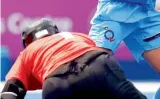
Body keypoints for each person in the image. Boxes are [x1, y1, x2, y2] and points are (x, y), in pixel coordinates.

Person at [1, 18, 146, 99]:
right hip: (100, 65)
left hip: (57, 82)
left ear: (28, 42)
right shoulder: (78, 36)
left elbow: (11, 91)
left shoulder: (28, 52)